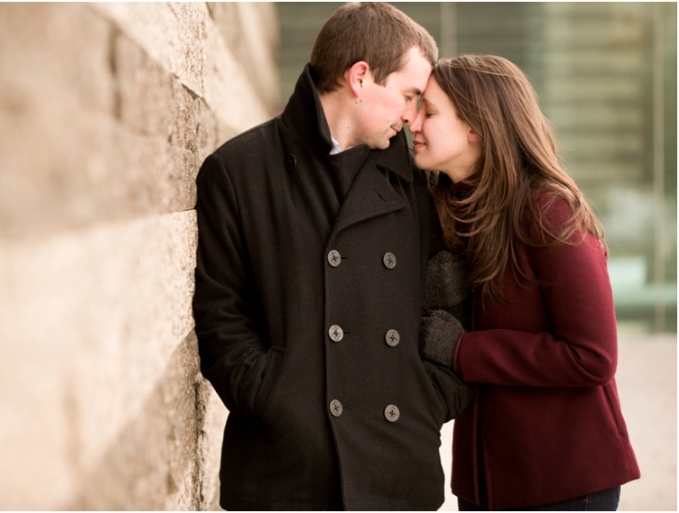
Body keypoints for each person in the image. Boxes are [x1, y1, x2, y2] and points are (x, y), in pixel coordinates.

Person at [193, 3, 471, 510]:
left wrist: (425, 402)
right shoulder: (236, 173)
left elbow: (455, 306)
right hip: (283, 471)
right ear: (361, 77)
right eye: (409, 96)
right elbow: (219, 319)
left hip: (394, 470)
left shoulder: (424, 185)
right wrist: (280, 402)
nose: (413, 117)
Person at [411, 54, 641, 511]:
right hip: (488, 479)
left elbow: (594, 357)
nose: (412, 122)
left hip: (564, 481)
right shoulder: (455, 209)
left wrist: (464, 350)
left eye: (429, 112)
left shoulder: (547, 211)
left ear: (476, 126)